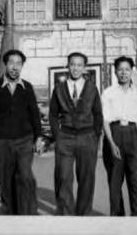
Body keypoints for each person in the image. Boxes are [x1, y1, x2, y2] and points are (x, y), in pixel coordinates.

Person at [0, 49, 44, 215]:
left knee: (26, 178)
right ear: (5, 65)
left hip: (24, 140)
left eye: (18, 63)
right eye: (11, 63)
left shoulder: (27, 87)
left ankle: (29, 217)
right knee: (6, 183)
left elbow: (35, 114)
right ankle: (10, 220)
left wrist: (39, 137)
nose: (15, 67)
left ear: (22, 66)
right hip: (2, 142)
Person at [49, 52, 103, 215]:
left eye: (79, 65)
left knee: (86, 179)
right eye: (73, 64)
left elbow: (98, 114)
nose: (76, 68)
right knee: (63, 177)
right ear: (68, 66)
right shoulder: (59, 88)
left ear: (84, 68)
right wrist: (57, 136)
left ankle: (83, 216)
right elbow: (52, 114)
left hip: (87, 137)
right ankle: (66, 216)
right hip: (65, 138)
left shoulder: (92, 88)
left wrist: (96, 136)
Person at [102, 56, 137, 216]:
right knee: (115, 184)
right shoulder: (108, 93)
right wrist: (111, 144)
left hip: (133, 137)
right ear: (115, 72)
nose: (124, 73)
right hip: (114, 134)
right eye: (120, 69)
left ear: (131, 71)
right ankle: (118, 223)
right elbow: (105, 121)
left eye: (127, 69)